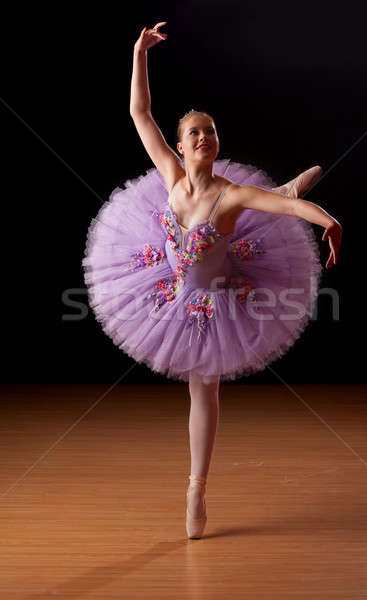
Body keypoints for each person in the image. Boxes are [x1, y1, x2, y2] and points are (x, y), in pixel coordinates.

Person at [82, 22, 342, 539]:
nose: (205, 136)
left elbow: (283, 207)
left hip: (217, 295)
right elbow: (140, 113)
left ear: (217, 145)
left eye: (211, 131)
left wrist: (330, 221)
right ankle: (291, 181)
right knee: (278, 206)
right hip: (170, 280)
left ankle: (196, 487)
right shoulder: (171, 179)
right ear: (180, 147)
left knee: (206, 389)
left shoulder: (230, 195)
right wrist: (139, 54)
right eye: (195, 132)